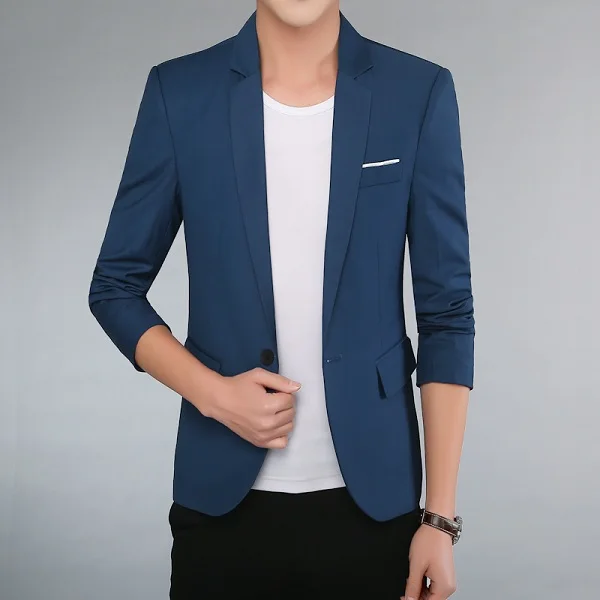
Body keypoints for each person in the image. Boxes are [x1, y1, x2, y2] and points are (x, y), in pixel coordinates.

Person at [88, 1, 475, 598]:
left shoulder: (417, 92)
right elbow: (115, 286)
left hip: (376, 505)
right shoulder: (181, 93)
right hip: (221, 506)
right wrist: (213, 394)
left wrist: (439, 518)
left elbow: (447, 316)